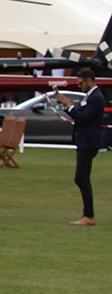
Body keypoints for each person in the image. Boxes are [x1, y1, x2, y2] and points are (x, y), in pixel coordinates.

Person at [58, 68, 106, 226]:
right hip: (84, 141)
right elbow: (80, 115)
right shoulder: (90, 97)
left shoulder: (96, 98)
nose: (79, 86)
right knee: (81, 178)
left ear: (89, 81)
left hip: (89, 142)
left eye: (81, 83)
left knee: (81, 178)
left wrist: (69, 105)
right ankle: (88, 215)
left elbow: (83, 118)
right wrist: (69, 107)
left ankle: (89, 216)